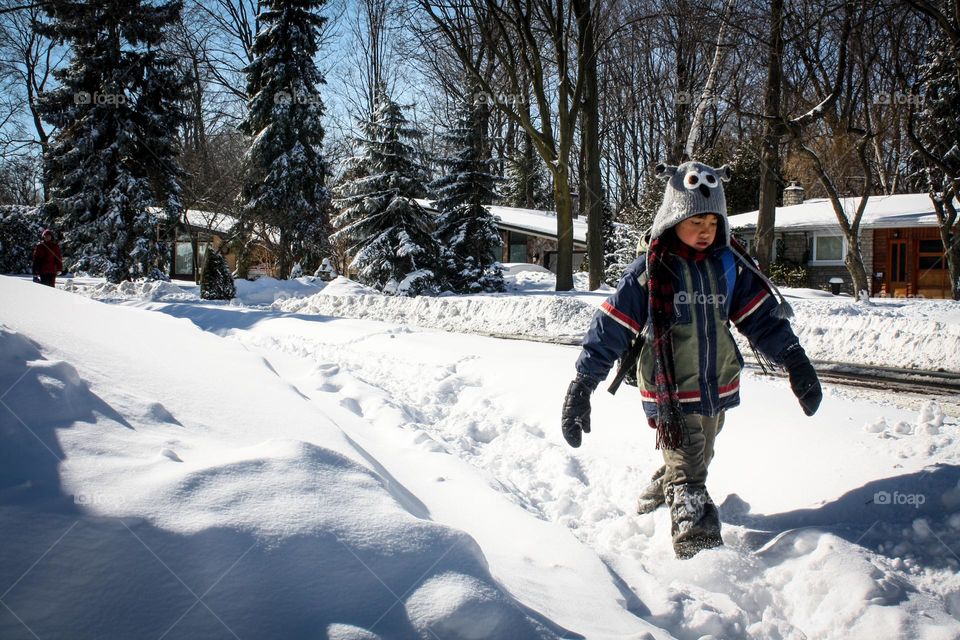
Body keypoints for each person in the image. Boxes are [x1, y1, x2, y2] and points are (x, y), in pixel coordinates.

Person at [560, 161, 822, 559]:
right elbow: (610, 328)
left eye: (713, 222)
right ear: (672, 218)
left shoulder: (729, 266)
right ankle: (702, 563)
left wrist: (795, 360)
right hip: (671, 393)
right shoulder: (649, 271)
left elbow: (761, 321)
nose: (705, 230)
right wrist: (583, 385)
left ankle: (657, 495)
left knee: (700, 459)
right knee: (691, 478)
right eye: (695, 220)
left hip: (718, 384)